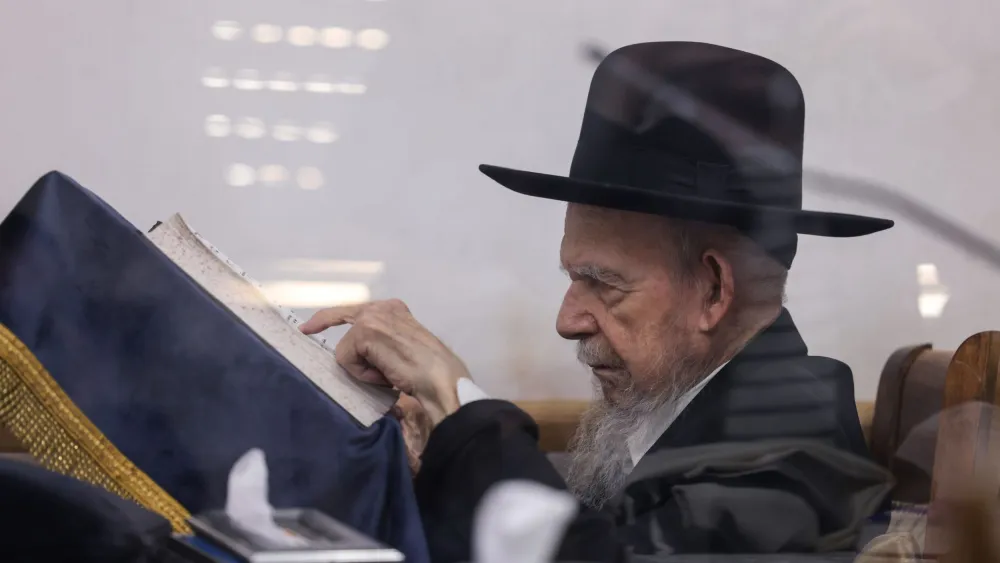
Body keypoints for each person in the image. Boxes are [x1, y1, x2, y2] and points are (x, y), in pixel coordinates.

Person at [301, 41, 895, 561]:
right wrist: (434, 458)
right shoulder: (685, 410)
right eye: (572, 277)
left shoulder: (794, 453)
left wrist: (459, 409)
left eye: (604, 282)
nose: (567, 320)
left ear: (713, 290)